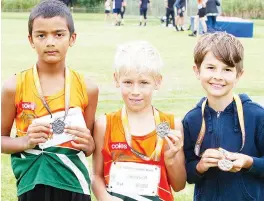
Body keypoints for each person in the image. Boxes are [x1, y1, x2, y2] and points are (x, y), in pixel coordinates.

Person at [1, 1, 99, 201]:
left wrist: (89, 144)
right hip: (33, 182)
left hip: (74, 183)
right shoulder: (14, 86)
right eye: (41, 35)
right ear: (31, 40)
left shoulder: (88, 88)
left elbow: (88, 147)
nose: (50, 42)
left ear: (72, 38)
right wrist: (25, 141)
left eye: (59, 34)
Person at [91, 41, 186, 201]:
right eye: (128, 82)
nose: (135, 91)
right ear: (116, 79)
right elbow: (95, 176)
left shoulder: (171, 125)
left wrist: (171, 159)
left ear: (157, 81)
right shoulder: (104, 125)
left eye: (144, 83)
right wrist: (105, 197)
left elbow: (179, 185)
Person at [183, 32, 264, 201]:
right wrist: (200, 166)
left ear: (238, 75)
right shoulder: (191, 120)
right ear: (197, 71)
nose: (218, 76)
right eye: (211, 67)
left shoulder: (257, 116)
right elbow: (188, 175)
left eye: (227, 69)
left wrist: (249, 162)